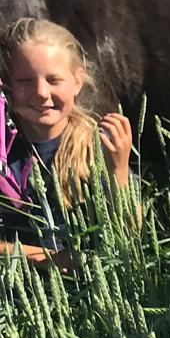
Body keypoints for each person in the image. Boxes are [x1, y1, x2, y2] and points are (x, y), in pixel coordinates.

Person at [0, 18, 134, 268]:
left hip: (90, 286)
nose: (41, 92)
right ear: (8, 83)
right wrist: (48, 260)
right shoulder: (4, 153)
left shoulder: (96, 147)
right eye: (25, 81)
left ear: (77, 81)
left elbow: (130, 236)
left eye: (53, 80)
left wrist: (119, 169)